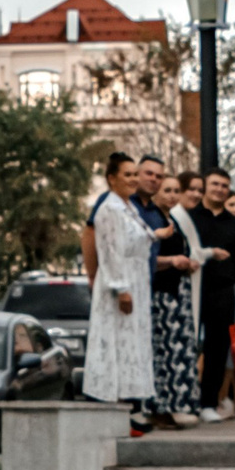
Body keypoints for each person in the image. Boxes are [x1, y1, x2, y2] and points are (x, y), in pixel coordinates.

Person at [81, 152, 155, 423]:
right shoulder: (110, 209)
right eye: (128, 174)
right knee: (117, 339)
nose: (134, 180)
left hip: (137, 280)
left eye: (136, 174)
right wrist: (121, 288)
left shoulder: (129, 208)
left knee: (132, 342)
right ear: (112, 179)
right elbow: (111, 251)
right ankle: (115, 399)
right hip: (119, 282)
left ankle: (132, 399)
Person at [133, 156, 200, 426]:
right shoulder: (148, 218)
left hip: (177, 291)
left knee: (179, 352)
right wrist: (172, 262)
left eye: (175, 190)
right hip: (159, 294)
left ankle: (177, 404)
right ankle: (159, 406)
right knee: (163, 353)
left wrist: (186, 263)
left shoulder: (171, 219)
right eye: (166, 190)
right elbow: (143, 257)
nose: (171, 195)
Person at [190, 169, 235, 420]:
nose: (219, 189)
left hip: (223, 291)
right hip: (193, 289)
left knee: (217, 349)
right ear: (205, 186)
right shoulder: (190, 218)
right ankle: (184, 401)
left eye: (224, 185)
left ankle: (208, 403)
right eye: (215, 184)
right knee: (187, 346)